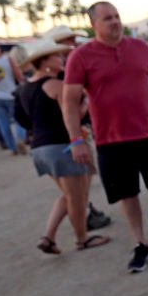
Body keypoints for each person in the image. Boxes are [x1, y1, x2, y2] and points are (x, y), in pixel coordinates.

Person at [62, 1, 148, 273]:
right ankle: (140, 243)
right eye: (107, 18)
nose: (114, 22)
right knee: (128, 194)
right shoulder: (81, 56)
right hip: (111, 141)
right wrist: (76, 140)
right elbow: (70, 101)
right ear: (93, 25)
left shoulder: (140, 47)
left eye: (117, 16)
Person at [15, 39, 111, 255]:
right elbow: (74, 114)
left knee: (68, 194)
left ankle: (48, 237)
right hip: (62, 146)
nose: (62, 59)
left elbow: (25, 118)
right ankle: (82, 239)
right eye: (56, 56)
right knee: (78, 197)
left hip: (41, 148)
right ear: (45, 62)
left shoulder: (26, 87)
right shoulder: (56, 85)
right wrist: (86, 102)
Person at [41, 24, 112, 232]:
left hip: (73, 132)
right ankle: (80, 226)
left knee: (78, 185)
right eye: (68, 41)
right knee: (77, 186)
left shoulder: (70, 66)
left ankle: (84, 215)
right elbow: (70, 106)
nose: (73, 44)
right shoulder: (61, 74)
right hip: (70, 136)